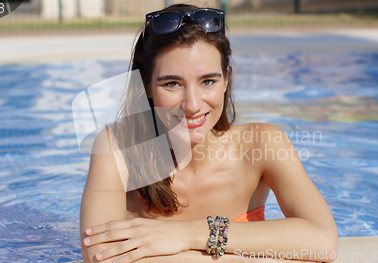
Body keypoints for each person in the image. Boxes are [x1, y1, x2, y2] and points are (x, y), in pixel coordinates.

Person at [79, 3, 338, 263]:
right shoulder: (118, 148)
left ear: (226, 79)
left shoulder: (261, 144)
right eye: (172, 83)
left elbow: (323, 241)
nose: (192, 104)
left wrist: (188, 233)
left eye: (208, 81)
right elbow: (100, 257)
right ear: (146, 85)